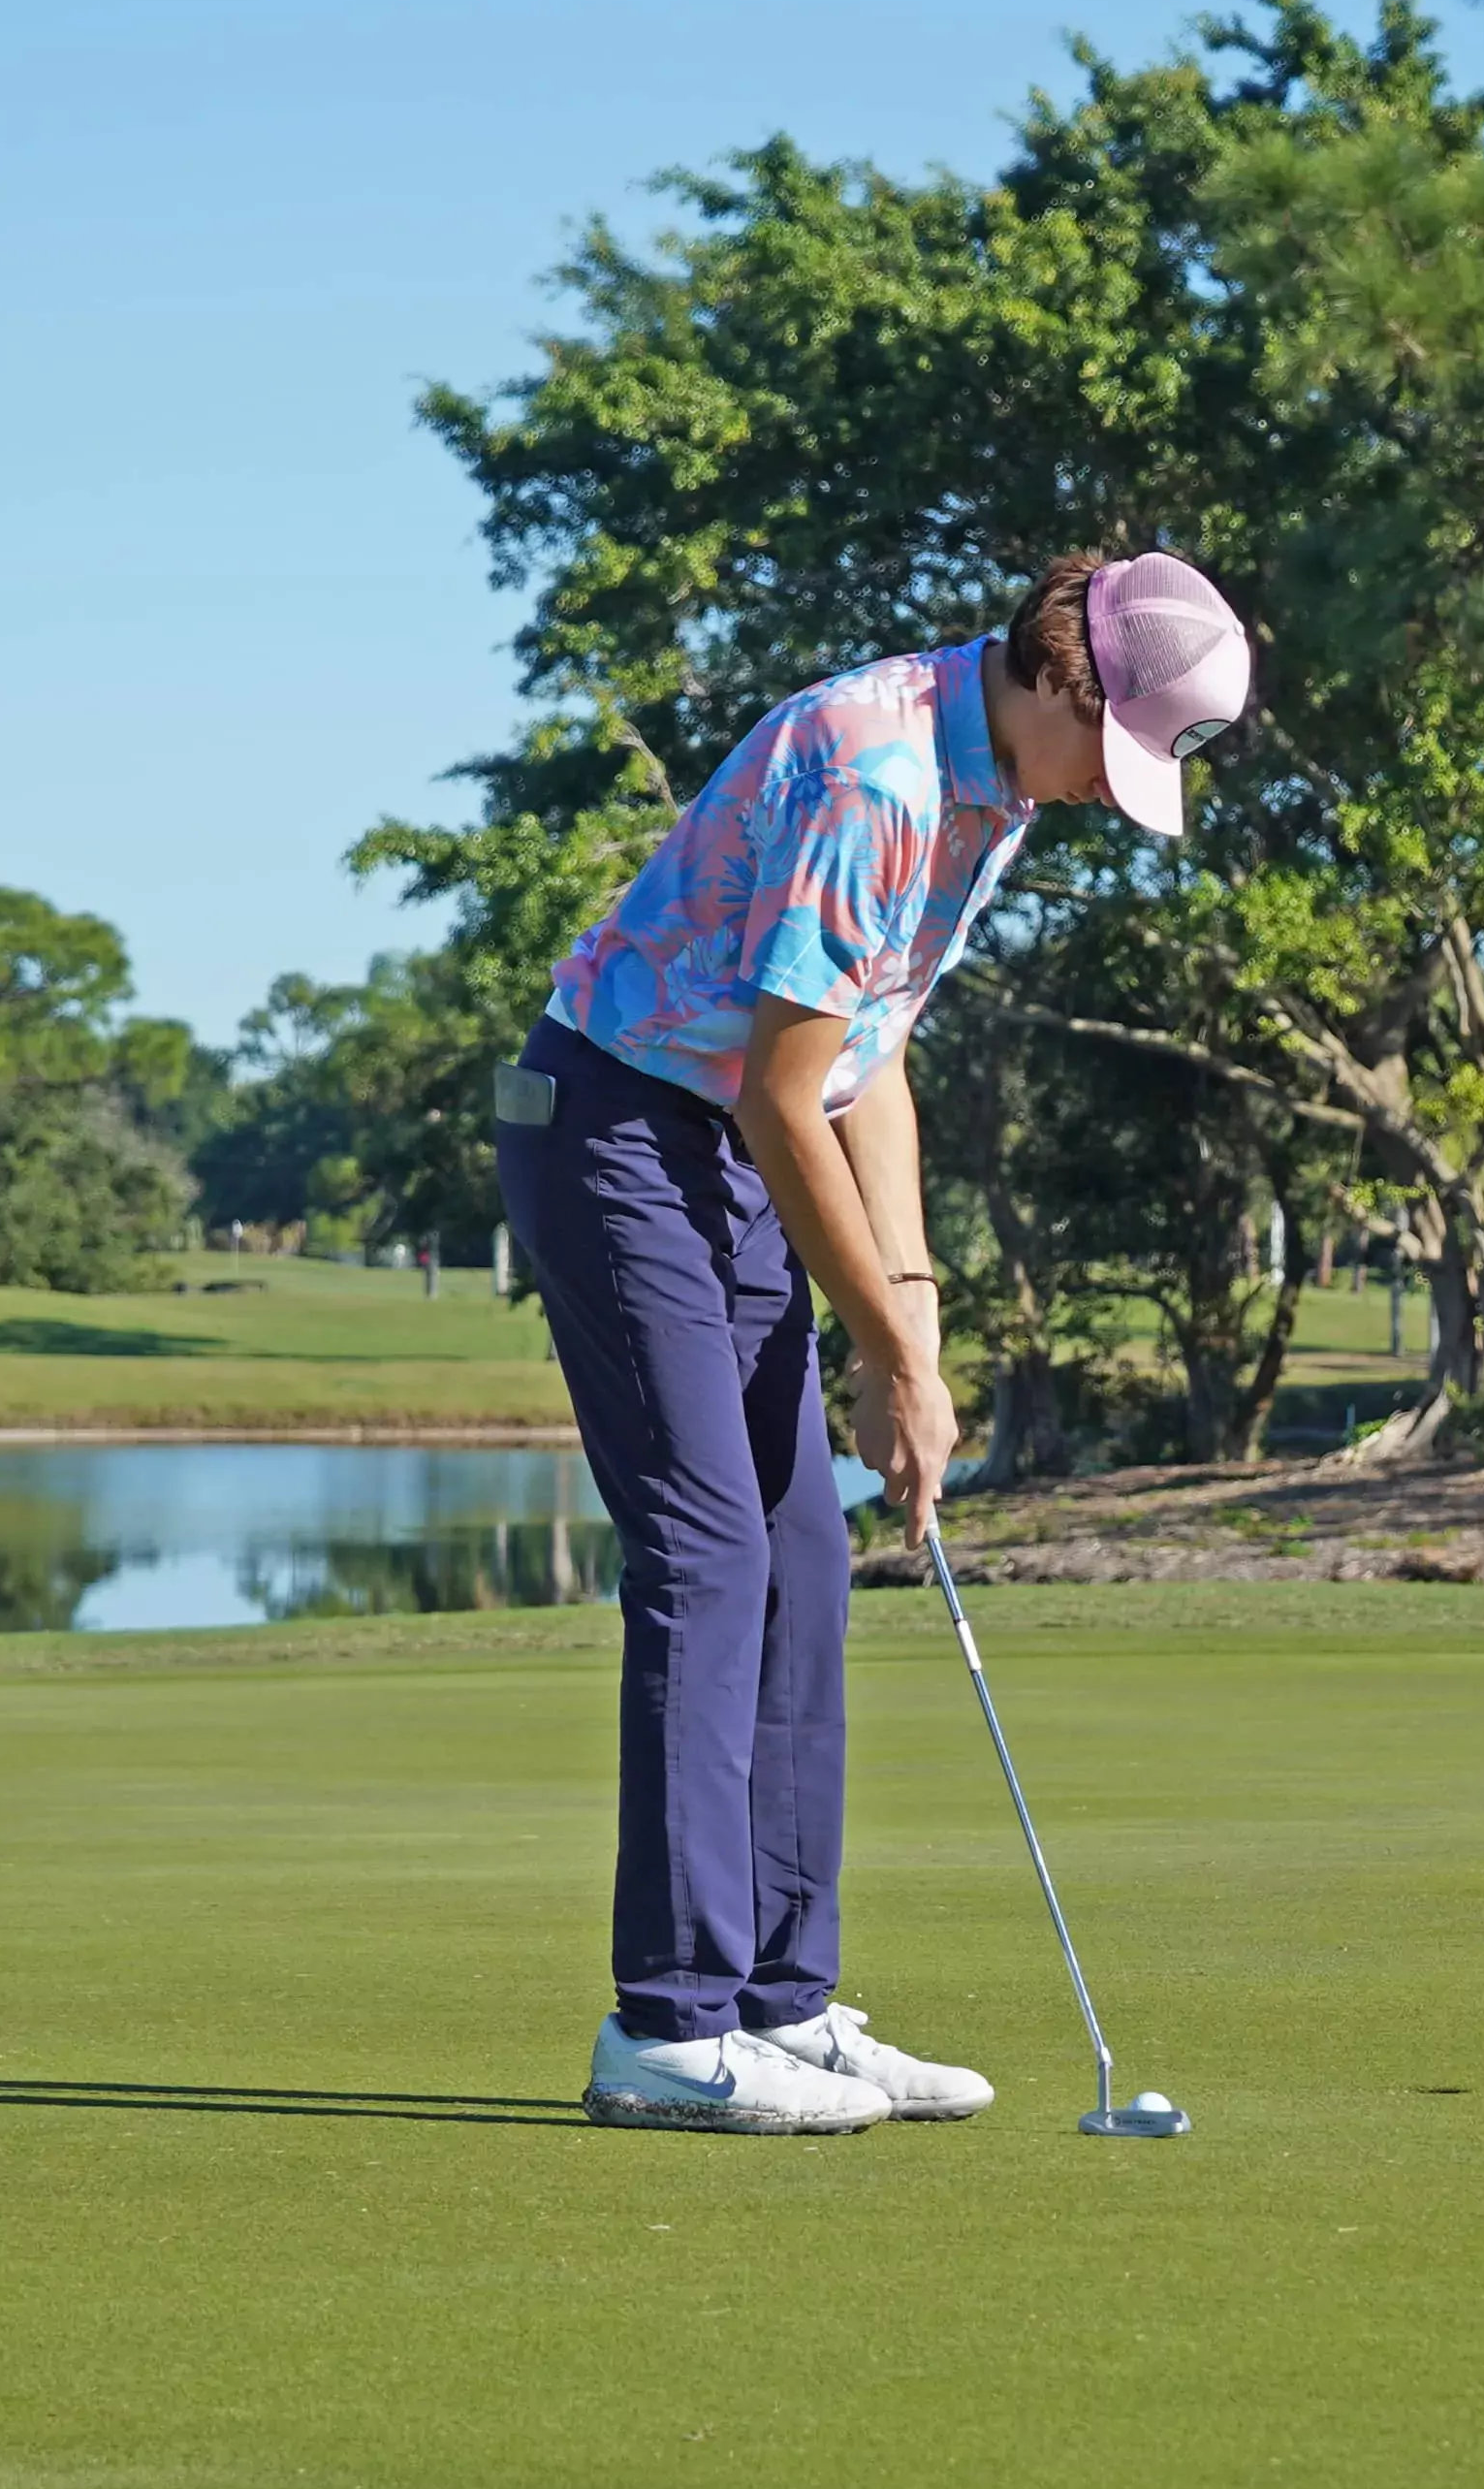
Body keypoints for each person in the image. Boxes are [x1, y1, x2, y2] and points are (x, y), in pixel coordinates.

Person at [495, 552, 1255, 2134]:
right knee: (708, 1548)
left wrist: (907, 1314)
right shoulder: (879, 771)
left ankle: (781, 2004)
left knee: (805, 1549)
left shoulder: (994, 798)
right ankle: (673, 2025)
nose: (1111, 799)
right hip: (619, 1125)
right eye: (1112, 755)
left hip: (735, 1134)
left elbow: (867, 1066)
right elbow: (781, 1089)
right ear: (1064, 674)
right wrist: (893, 1360)